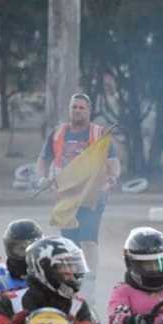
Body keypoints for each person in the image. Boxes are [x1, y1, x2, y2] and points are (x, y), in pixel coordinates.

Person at [36, 92, 120, 282]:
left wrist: (112, 179)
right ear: (69, 110)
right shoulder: (58, 133)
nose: (77, 111)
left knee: (88, 239)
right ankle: (72, 280)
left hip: (92, 196)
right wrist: (41, 178)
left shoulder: (99, 134)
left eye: (82, 108)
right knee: (68, 243)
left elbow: (113, 161)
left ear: (89, 111)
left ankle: (89, 280)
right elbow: (43, 159)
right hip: (66, 197)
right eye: (74, 107)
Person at [0, 219, 43, 318]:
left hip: (47, 319)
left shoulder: (48, 271)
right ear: (10, 249)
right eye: (21, 249)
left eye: (32, 248)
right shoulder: (1, 273)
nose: (27, 253)